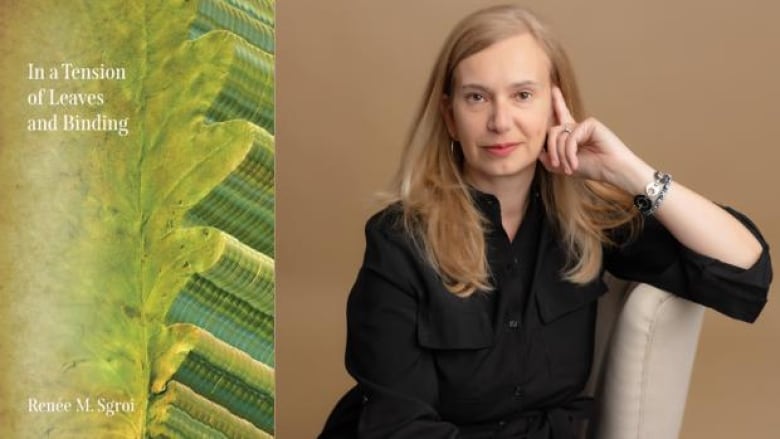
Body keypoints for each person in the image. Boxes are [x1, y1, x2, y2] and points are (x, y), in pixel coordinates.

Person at [319, 4, 772, 438]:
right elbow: (400, 428)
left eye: (522, 95)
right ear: (450, 117)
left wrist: (627, 171)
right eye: (477, 97)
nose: (500, 121)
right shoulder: (398, 240)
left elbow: (745, 274)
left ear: (555, 107)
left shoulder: (587, 222)